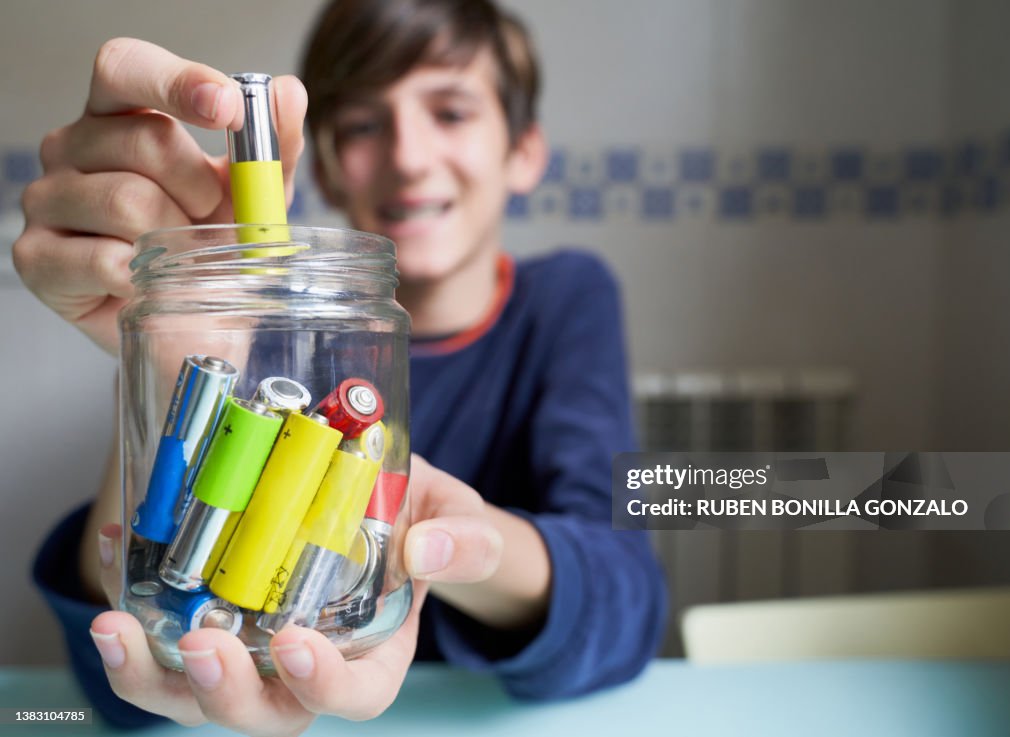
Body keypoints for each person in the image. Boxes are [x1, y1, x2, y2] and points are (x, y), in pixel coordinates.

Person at [17, 0, 667, 733]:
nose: (410, 156)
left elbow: (626, 598)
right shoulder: (249, 331)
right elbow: (119, 681)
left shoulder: (564, 301)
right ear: (323, 160)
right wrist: (181, 350)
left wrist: (458, 543)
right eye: (362, 124)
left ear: (524, 149)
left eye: (450, 112)